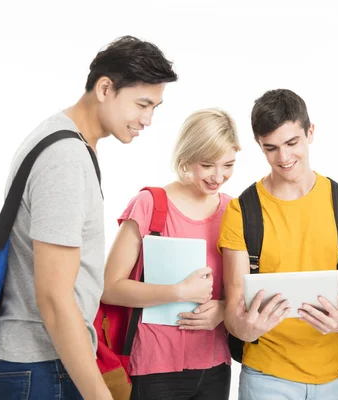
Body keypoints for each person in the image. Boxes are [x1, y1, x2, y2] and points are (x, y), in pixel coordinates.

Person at [0, 35, 177, 400]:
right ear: (105, 88)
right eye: (142, 104)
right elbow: (54, 299)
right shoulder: (66, 159)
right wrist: (97, 393)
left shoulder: (59, 138)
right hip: (42, 365)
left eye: (155, 107)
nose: (148, 119)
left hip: (41, 362)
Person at [218, 89, 338, 400]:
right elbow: (233, 308)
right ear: (259, 146)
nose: (283, 158)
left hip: (334, 377)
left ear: (310, 132)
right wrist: (245, 329)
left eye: (291, 143)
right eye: (270, 148)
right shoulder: (242, 211)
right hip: (265, 377)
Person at [101, 108, 239, 400]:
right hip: (154, 369)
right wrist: (179, 291)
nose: (218, 176)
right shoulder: (150, 204)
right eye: (207, 165)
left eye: (228, 164)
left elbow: (246, 287)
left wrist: (224, 309)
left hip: (215, 367)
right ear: (186, 158)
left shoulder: (234, 211)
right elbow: (109, 288)